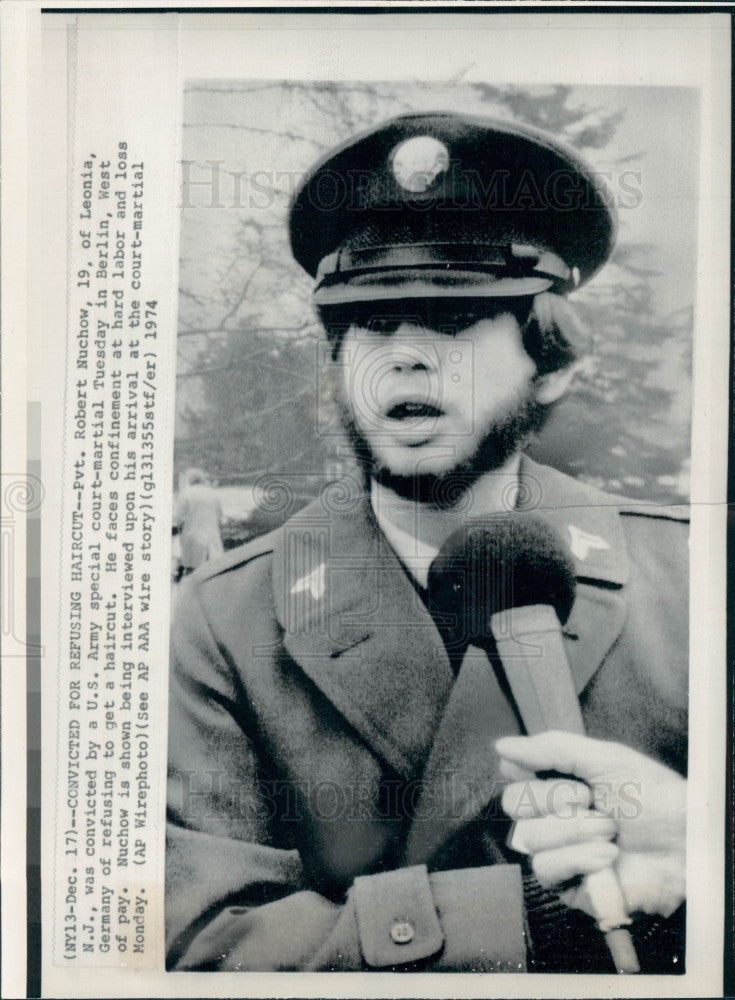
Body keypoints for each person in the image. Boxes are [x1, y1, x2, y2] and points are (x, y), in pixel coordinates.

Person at [166, 112, 688, 973]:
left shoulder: (704, 584)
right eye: (373, 325)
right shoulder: (221, 618)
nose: (404, 359)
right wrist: (525, 922)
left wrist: (715, 872)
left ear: (551, 364)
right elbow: (202, 942)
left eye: (453, 321)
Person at [172, 468, 223, 579]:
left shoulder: (186, 493)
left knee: (192, 569)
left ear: (190, 480)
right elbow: (220, 516)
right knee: (213, 568)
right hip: (212, 536)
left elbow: (177, 517)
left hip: (193, 535)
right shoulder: (213, 493)